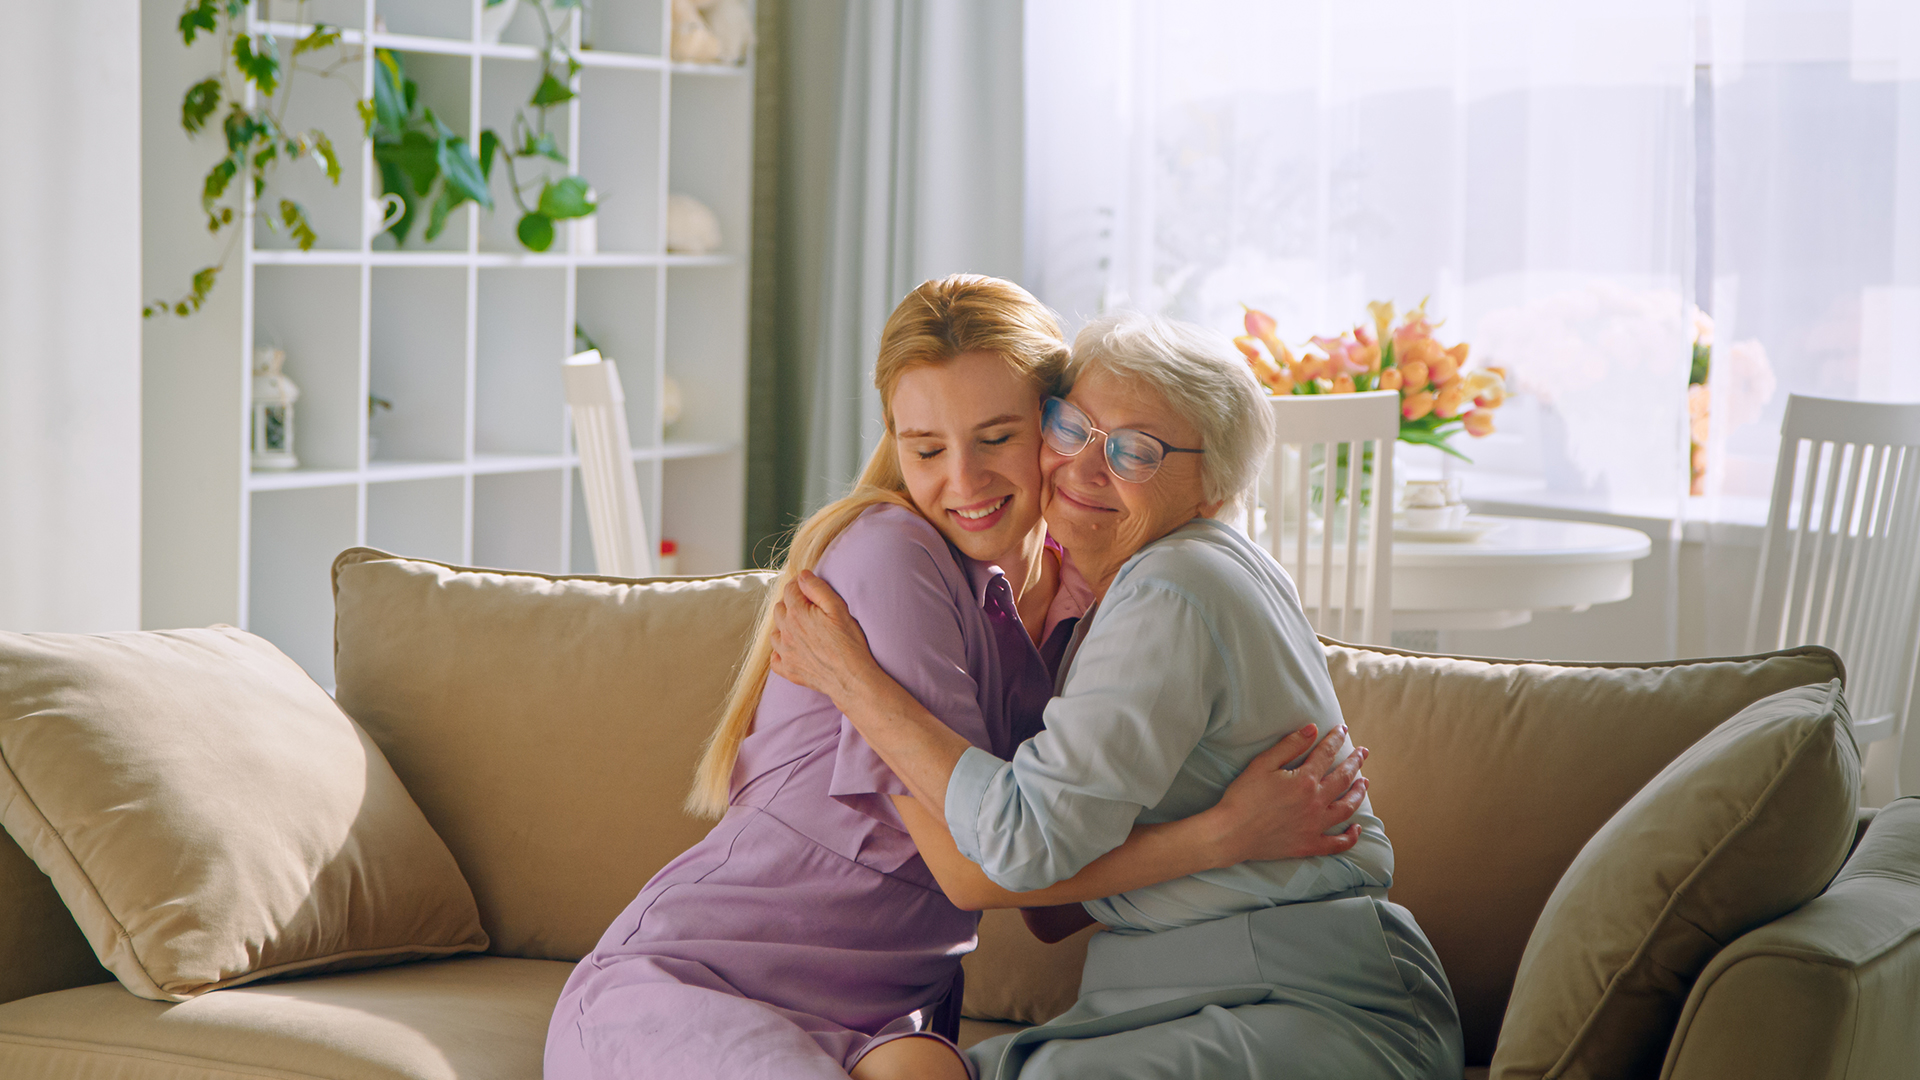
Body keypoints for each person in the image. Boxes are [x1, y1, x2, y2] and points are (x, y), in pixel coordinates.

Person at [545, 279, 1372, 1080]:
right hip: (695, 988)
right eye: (926, 449)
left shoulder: (1088, 601)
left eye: (997, 436)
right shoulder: (888, 554)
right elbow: (972, 872)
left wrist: (1236, 828)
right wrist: (1224, 837)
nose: (963, 482)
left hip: (885, 1024)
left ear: (1051, 425)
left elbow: (1050, 903)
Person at [772, 312, 1466, 1080]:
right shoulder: (1129, 592)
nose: (1084, 467)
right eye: (1073, 427)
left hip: (1301, 1004)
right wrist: (1222, 835)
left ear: (1215, 488)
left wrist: (854, 683)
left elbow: (1021, 845)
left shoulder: (1173, 587)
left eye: (1137, 450)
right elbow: (1047, 900)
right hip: (1183, 998)